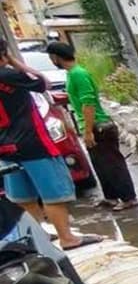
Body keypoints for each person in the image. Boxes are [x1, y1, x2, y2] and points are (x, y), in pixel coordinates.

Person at [0, 39, 99, 250]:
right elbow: (42, 82)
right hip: (32, 144)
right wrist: (15, 63)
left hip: (5, 149)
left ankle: (38, 238)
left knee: (23, 198)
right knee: (53, 195)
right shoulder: (9, 75)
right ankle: (67, 238)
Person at [46, 41, 138, 211]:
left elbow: (88, 103)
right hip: (92, 126)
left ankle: (129, 198)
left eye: (51, 57)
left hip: (99, 126)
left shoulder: (78, 74)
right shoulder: (72, 74)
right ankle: (111, 197)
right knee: (101, 165)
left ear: (56, 57)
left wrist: (88, 131)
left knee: (113, 164)